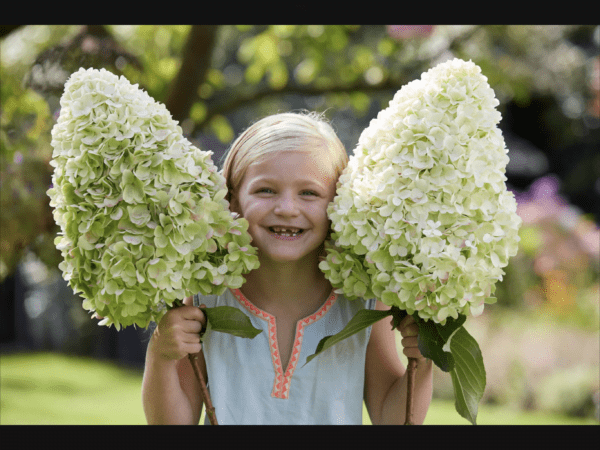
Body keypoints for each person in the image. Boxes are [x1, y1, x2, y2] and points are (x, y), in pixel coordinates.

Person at [142, 111, 433, 425]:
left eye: (309, 193)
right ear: (233, 200)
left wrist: (425, 360)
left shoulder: (362, 302)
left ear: (339, 204)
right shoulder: (207, 298)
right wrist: (161, 355)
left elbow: (393, 420)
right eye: (265, 190)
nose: (286, 208)